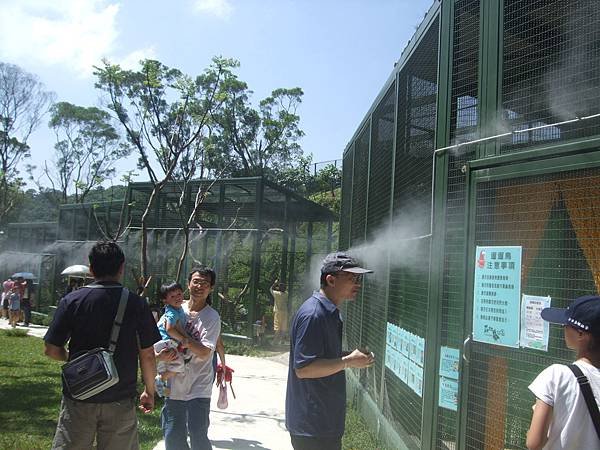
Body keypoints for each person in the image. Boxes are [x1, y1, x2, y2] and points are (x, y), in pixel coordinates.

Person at [44, 241, 161, 450]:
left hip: (79, 395)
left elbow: (52, 350)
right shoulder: (137, 304)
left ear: (91, 268)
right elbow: (148, 355)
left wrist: (71, 356)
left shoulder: (72, 300)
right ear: (121, 267)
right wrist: (149, 391)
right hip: (120, 398)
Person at [285, 251, 376, 450]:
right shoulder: (314, 315)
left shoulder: (329, 311)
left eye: (358, 278)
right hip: (312, 427)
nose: (357, 283)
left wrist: (350, 356)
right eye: (352, 278)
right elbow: (304, 369)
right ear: (331, 280)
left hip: (323, 423)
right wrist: (348, 361)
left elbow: (320, 357)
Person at [526, 294, 600, 450]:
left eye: (566, 324)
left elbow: (534, 443)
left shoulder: (556, 375)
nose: (563, 328)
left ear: (581, 334)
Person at [161, 266, 221, 450]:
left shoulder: (212, 317)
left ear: (211, 289)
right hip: (174, 384)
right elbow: (160, 335)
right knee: (172, 436)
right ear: (188, 284)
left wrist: (184, 340)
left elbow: (205, 352)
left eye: (205, 283)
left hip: (199, 386)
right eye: (196, 281)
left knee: (198, 434)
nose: (199, 286)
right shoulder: (175, 308)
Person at [154, 282, 191, 397]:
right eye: (172, 296)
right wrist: (183, 339)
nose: (177, 298)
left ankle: (160, 385)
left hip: (163, 343)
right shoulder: (172, 312)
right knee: (179, 365)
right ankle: (160, 379)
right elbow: (169, 329)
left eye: (179, 294)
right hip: (167, 343)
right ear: (165, 300)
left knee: (164, 364)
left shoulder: (177, 308)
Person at [271, 279, 289, 345]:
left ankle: (275, 341)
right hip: (285, 311)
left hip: (278, 312)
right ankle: (282, 340)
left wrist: (275, 283)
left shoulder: (277, 294)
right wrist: (279, 287)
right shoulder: (286, 294)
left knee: (277, 327)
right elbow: (282, 290)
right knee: (283, 327)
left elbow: (271, 289)